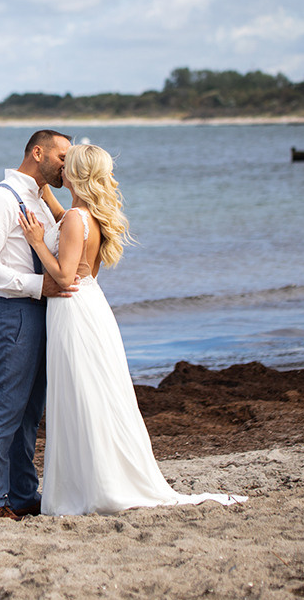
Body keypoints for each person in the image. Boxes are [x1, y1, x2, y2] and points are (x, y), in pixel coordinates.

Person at [19, 144, 247, 515]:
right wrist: (42, 190)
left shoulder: (77, 218)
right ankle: (96, 479)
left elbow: (62, 275)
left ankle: (93, 486)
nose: (60, 170)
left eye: (66, 166)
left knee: (83, 395)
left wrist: (34, 241)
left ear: (75, 174)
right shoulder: (86, 214)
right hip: (90, 307)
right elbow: (67, 225)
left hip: (73, 310)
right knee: (91, 394)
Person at [0, 129, 75, 521]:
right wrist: (37, 285)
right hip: (13, 313)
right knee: (5, 409)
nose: (68, 164)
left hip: (42, 312)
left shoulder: (40, 199)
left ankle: (23, 493)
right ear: (38, 152)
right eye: (63, 157)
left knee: (30, 412)